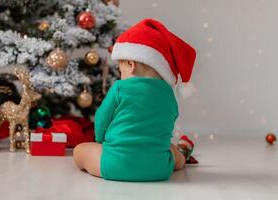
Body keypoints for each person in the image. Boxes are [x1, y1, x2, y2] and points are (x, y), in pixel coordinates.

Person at [73, 18, 197, 181]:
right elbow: (168, 121)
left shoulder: (120, 88)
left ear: (131, 64)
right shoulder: (168, 94)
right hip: (159, 168)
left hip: (115, 165)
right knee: (172, 151)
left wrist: (100, 141)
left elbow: (102, 118)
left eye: (120, 70)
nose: (120, 75)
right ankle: (182, 153)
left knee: (80, 150)